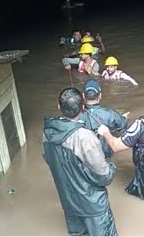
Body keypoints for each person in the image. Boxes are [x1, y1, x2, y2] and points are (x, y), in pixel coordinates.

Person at [42, 87, 118, 236]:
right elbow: (104, 177)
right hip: (93, 205)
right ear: (83, 108)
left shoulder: (47, 132)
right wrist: (112, 167)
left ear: (59, 107)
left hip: (68, 201)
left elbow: (49, 159)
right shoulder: (85, 137)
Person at [79, 79, 129, 159]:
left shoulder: (77, 115)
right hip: (105, 155)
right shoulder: (111, 114)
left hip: (86, 156)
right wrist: (124, 118)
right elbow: (123, 126)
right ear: (100, 95)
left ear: (83, 96)